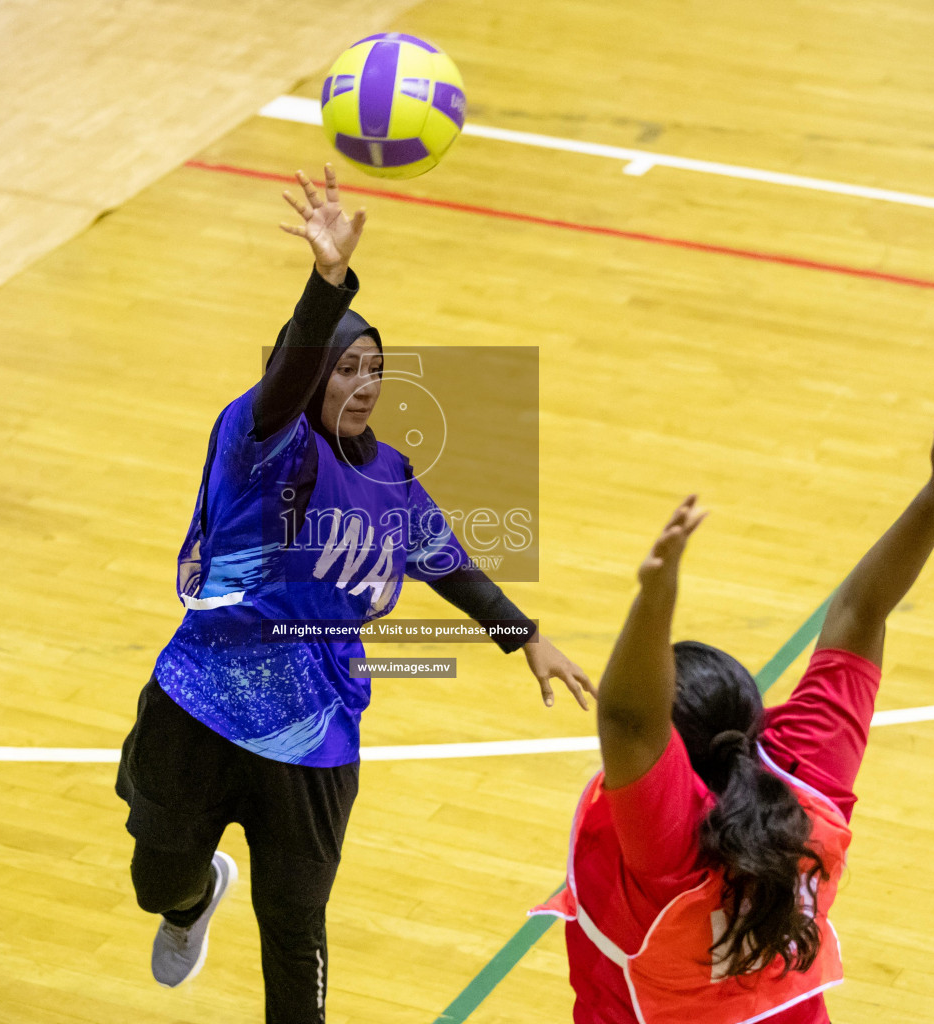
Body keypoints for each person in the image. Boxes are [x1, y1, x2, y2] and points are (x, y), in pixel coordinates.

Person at [116, 164, 596, 1024]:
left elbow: (447, 562)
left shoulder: (390, 478)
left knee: (295, 928)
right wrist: (326, 284)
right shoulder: (259, 440)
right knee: (158, 879)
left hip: (315, 728)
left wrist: (524, 636)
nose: (363, 383)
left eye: (374, 369)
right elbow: (288, 377)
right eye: (345, 369)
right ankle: (192, 903)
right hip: (199, 699)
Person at [534, 406, 934, 1023]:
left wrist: (655, 598)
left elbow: (627, 719)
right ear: (756, 717)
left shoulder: (665, 847)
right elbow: (860, 611)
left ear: (671, 759)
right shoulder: (807, 777)